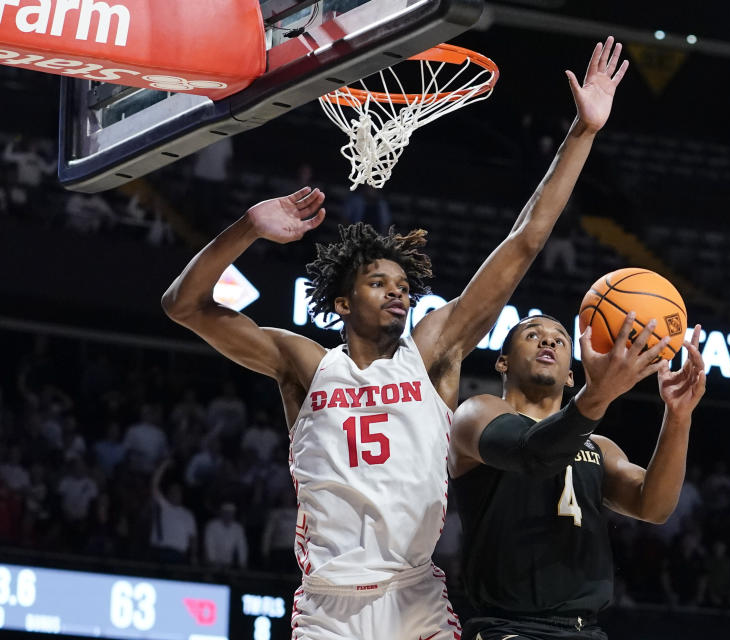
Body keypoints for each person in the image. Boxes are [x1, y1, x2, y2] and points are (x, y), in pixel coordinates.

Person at [161, 36, 629, 640]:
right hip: (329, 605)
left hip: (413, 596)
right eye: (378, 282)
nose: (398, 292)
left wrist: (582, 133)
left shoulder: (431, 355)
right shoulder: (304, 364)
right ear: (340, 303)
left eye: (403, 284)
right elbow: (183, 306)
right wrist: (247, 229)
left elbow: (524, 241)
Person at [448, 312, 705, 638]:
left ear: (570, 377)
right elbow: (533, 453)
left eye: (560, 338)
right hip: (509, 627)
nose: (548, 340)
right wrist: (600, 393)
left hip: (586, 630)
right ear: (503, 363)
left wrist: (678, 416)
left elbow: (654, 507)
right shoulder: (477, 413)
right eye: (532, 334)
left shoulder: (599, 447)